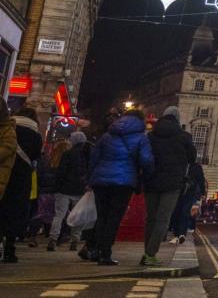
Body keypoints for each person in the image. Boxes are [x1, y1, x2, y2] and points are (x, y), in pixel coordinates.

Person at [87, 108, 154, 266]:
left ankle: (95, 249)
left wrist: (91, 178)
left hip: (100, 181)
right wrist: (145, 176)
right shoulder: (140, 138)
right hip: (124, 182)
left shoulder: (107, 135)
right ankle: (105, 253)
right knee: (113, 218)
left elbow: (94, 158)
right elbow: (147, 161)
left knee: (102, 216)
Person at [144, 107, 195, 266]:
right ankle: (150, 254)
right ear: (177, 119)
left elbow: (144, 156)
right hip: (173, 182)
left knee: (151, 219)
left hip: (151, 180)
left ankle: (147, 253)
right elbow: (192, 158)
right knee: (163, 219)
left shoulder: (151, 135)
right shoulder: (184, 137)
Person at [1, 107, 42, 263]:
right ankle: (10, 249)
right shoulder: (35, 135)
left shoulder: (9, 128)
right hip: (21, 178)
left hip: (5, 172)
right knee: (14, 211)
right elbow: (36, 155)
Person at [49, 132, 89, 251]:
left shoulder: (67, 154)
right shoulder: (87, 155)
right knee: (77, 216)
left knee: (59, 215)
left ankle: (53, 239)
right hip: (80, 190)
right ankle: (75, 241)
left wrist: (56, 187)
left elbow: (61, 172)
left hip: (64, 189)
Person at [170, 156, 205, 243]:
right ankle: (178, 234)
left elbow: (201, 180)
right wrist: (203, 192)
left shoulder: (189, 165)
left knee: (181, 212)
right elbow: (201, 180)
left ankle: (180, 234)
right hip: (182, 191)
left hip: (185, 192)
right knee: (180, 213)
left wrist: (202, 192)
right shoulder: (193, 166)